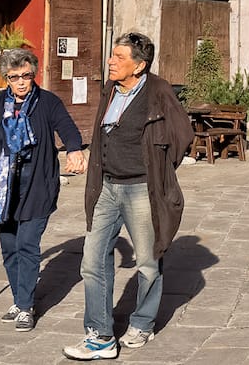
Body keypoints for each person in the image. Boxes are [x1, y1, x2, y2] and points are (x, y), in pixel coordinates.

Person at [64, 32, 193, 361]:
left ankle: (142, 322)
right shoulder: (109, 90)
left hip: (141, 189)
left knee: (148, 263)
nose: (111, 61)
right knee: (92, 262)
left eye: (120, 58)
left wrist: (159, 167)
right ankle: (100, 334)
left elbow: (182, 135)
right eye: (112, 55)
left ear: (140, 65)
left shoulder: (158, 91)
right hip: (105, 187)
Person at [0, 47, 86, 333]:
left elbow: (68, 128)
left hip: (37, 183)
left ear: (33, 74)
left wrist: (74, 151)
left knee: (27, 243)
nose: (22, 82)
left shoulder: (47, 102)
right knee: (9, 246)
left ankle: (26, 306)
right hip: (4, 188)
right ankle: (19, 297)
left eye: (26, 75)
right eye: (15, 77)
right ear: (6, 79)